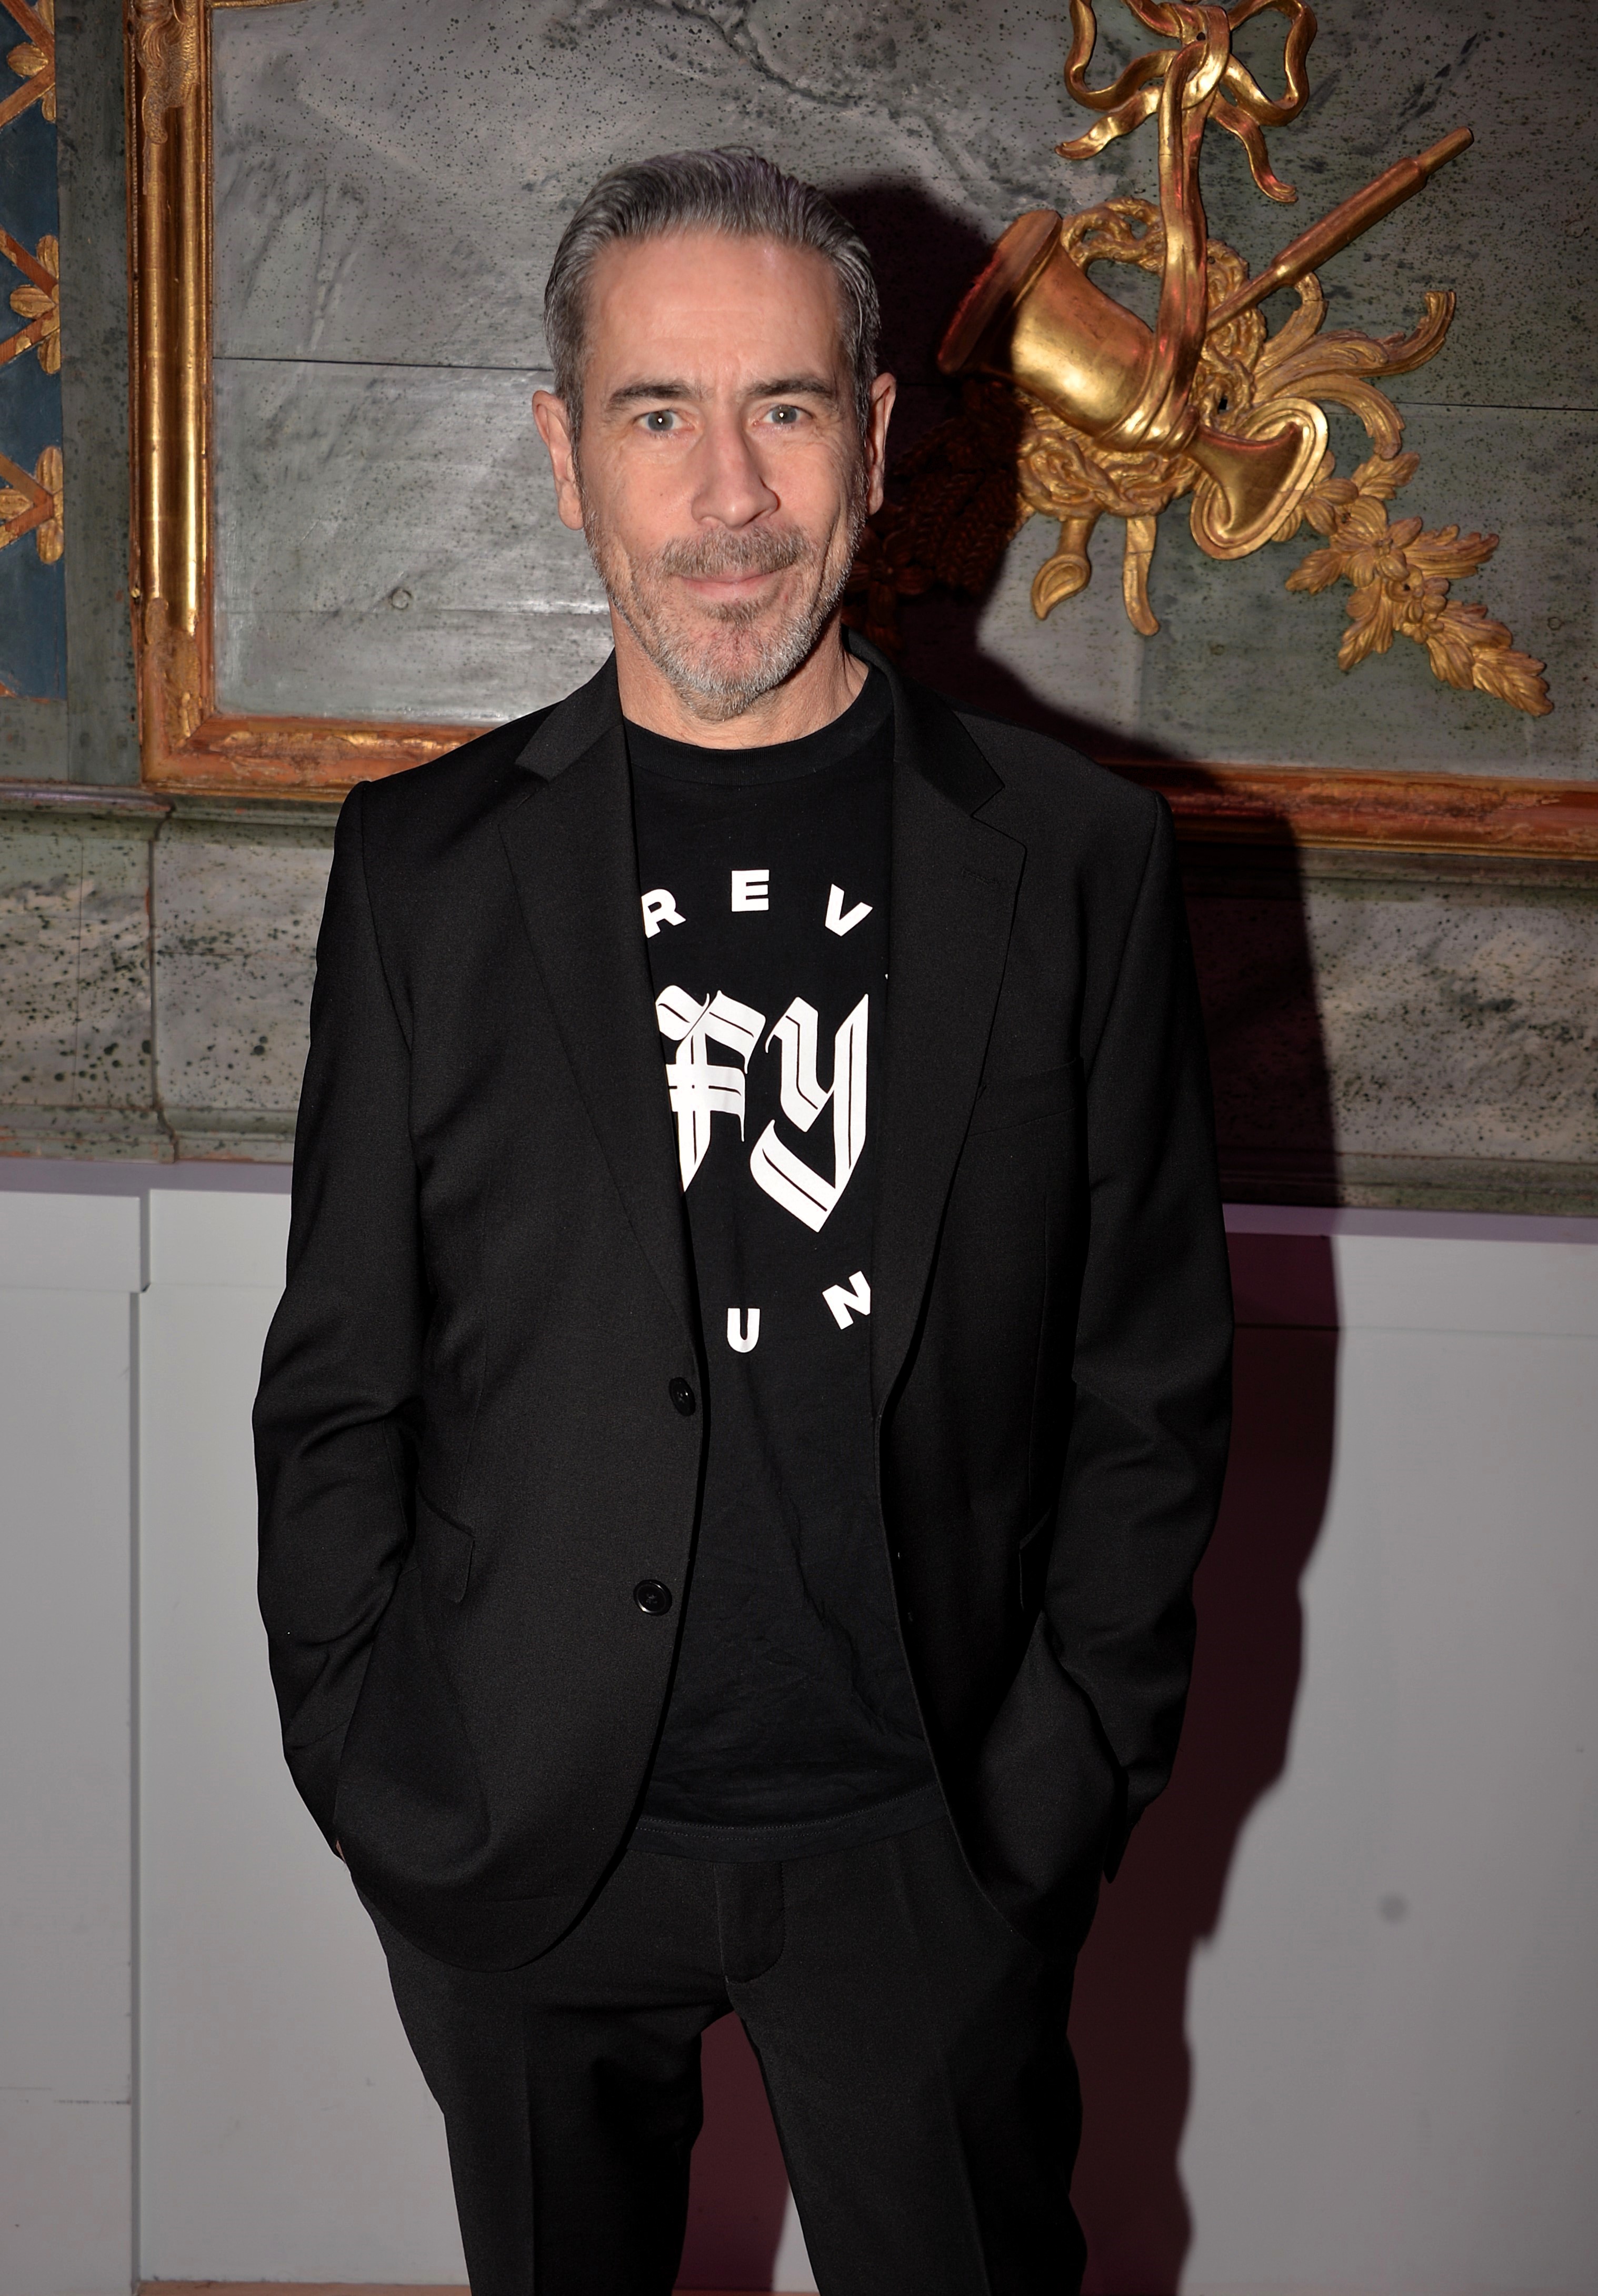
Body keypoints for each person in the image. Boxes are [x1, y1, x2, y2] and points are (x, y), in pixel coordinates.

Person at [254, 148, 1232, 2296]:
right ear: (563, 454)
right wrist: (371, 1754)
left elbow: (1150, 1380)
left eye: (784, 408)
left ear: (875, 440)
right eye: (656, 414)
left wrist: (1061, 1774)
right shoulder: (421, 869)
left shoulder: (1075, 857)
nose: (729, 499)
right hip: (524, 1842)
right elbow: (339, 1376)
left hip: (929, 1839)